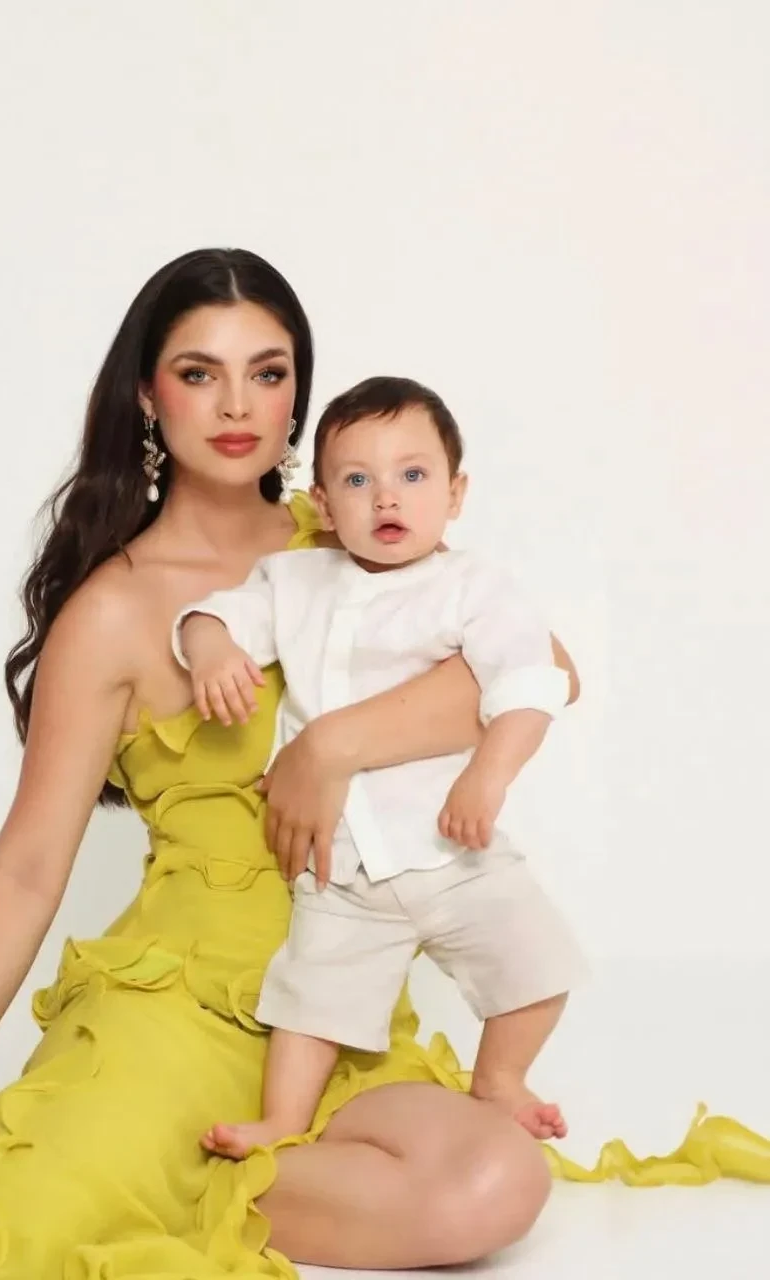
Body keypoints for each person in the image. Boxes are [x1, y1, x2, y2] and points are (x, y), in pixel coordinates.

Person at [0, 249, 766, 1280]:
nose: (236, 405)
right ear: (146, 395)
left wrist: (331, 745)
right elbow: (28, 866)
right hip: (172, 1007)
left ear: (299, 391)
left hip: (332, 1001)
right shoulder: (114, 610)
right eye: (198, 372)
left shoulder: (354, 529)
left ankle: (184, 1174)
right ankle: (137, 1162)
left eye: (267, 372)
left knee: (493, 1185)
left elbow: (543, 667)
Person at [176, 374, 587, 1160]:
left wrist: (488, 775)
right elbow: (214, 615)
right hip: (343, 867)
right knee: (309, 1000)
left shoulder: (473, 589)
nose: (386, 497)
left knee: (537, 962)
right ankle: (281, 1121)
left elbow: (531, 680)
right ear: (325, 506)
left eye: (413, 474)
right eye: (358, 481)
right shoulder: (293, 581)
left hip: (453, 848)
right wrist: (211, 650)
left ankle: (500, 1078)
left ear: (454, 494)